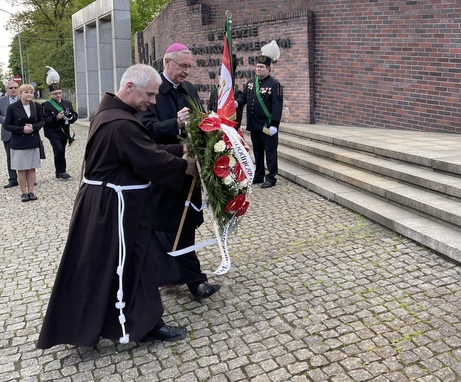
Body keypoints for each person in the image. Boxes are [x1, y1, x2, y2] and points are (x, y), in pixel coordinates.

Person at [38, 64, 195, 349]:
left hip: (114, 206)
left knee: (134, 263)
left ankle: (144, 322)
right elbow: (147, 159)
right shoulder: (120, 123)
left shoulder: (117, 115)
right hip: (114, 208)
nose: (153, 101)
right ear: (130, 87)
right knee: (117, 265)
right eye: (149, 94)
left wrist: (177, 150)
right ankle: (115, 325)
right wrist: (185, 165)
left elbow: (141, 148)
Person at [139, 43, 221, 300]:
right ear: (167, 62)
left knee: (185, 224)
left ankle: (183, 277)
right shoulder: (152, 90)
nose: (186, 71)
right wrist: (173, 122)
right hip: (163, 168)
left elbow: (199, 125)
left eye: (189, 66)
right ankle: (194, 281)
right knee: (165, 226)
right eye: (182, 66)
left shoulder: (190, 89)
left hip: (190, 169)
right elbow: (145, 128)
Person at [236, 41, 283, 188]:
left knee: (270, 152)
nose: (258, 69)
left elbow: (277, 106)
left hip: (267, 126)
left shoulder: (274, 85)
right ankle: (259, 175)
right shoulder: (250, 83)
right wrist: (237, 103)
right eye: (257, 66)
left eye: (262, 67)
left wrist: (275, 124)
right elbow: (244, 97)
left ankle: (272, 177)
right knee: (257, 151)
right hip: (254, 124)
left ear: (268, 69)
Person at [4, 84, 44, 202]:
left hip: (32, 140)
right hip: (19, 142)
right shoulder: (12, 107)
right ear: (20, 94)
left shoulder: (36, 106)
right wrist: (22, 129)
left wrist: (34, 127)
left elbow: (42, 121)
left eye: (31, 92)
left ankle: (31, 191)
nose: (29, 94)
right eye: (26, 92)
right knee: (21, 169)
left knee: (32, 168)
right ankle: (23, 192)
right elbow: (7, 125)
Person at [42, 80, 78, 180]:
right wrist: (57, 118)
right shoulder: (46, 105)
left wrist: (70, 118)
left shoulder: (67, 103)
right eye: (55, 94)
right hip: (53, 132)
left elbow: (74, 115)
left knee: (61, 151)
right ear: (50, 94)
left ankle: (58, 172)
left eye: (59, 93)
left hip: (64, 132)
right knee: (59, 149)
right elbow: (44, 120)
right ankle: (62, 171)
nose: (58, 95)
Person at [0, 81, 20, 188]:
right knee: (10, 157)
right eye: (11, 88)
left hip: (21, 132)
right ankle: (13, 179)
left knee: (23, 156)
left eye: (15, 87)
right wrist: (6, 120)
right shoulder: (0, 101)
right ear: (6, 90)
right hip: (7, 132)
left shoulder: (23, 99)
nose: (13, 89)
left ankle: (27, 177)